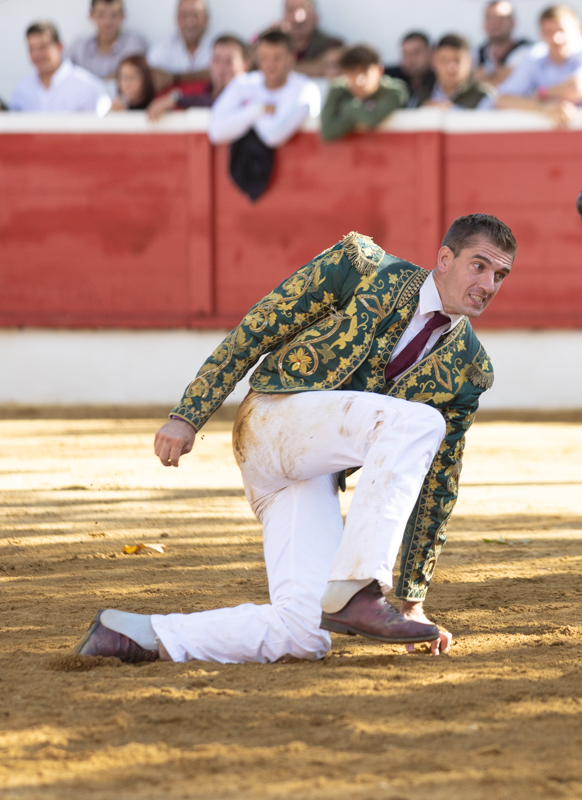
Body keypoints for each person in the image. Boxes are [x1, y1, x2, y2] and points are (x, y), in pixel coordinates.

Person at [73, 214, 515, 665]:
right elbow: (259, 328)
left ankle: (135, 635)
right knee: (418, 423)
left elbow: (438, 483)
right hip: (272, 420)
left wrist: (411, 600)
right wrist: (189, 415)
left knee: (304, 633)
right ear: (444, 259)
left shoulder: (468, 367)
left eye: (500, 275)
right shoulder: (363, 268)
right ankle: (359, 588)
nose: (488, 283)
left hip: (311, 471)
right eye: (479, 266)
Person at [495, 4, 582, 124]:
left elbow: (578, 88)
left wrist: (541, 94)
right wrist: (543, 108)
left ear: (579, 30)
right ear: (541, 34)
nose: (556, 38)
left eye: (561, 30)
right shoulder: (535, 56)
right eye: (549, 32)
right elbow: (502, 100)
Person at [209, 30, 321, 147]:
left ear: (291, 58)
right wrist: (258, 109)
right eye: (264, 57)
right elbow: (216, 132)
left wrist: (247, 109)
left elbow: (273, 136)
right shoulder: (244, 83)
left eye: (277, 58)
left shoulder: (305, 89)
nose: (270, 64)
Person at [10, 22, 112, 115]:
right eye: (31, 48)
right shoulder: (21, 90)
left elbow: (104, 128)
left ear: (60, 46)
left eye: (43, 47)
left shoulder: (89, 86)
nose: (37, 54)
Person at [147, 34, 248, 120]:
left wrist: (177, 100)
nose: (222, 68)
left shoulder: (251, 93)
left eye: (229, 61)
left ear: (244, 65)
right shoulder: (200, 90)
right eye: (217, 60)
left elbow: (219, 103)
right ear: (210, 64)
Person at [320, 45, 409, 141]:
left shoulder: (394, 90)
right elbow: (328, 131)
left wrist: (348, 107)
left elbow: (372, 119)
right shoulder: (338, 89)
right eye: (352, 72)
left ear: (379, 71)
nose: (359, 80)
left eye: (364, 71)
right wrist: (362, 113)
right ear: (344, 74)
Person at [65, 0, 148, 82]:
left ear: (122, 15)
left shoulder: (134, 44)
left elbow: (132, 78)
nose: (107, 22)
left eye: (114, 15)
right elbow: (60, 73)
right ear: (91, 15)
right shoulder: (78, 47)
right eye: (101, 15)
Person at [261, 0, 344, 78]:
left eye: (304, 9)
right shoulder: (272, 43)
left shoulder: (332, 44)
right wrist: (269, 33)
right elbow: (251, 60)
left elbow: (326, 68)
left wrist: (279, 69)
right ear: (283, 17)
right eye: (290, 10)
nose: (297, 18)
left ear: (316, 18)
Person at [148, 0, 216, 93]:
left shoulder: (219, 45)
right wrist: (202, 75)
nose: (190, 21)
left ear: (207, 18)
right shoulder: (164, 46)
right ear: (176, 18)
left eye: (196, 15)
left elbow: (223, 74)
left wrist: (174, 78)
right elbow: (152, 76)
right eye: (184, 15)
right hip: (172, 107)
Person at [419, 34, 497, 110]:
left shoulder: (483, 96)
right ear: (434, 62)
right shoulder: (421, 94)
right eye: (444, 60)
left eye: (457, 60)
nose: (450, 67)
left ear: (470, 62)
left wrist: (453, 111)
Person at [475, 1, 535, 86]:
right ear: (484, 23)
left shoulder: (529, 52)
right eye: (490, 18)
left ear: (513, 22)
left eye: (501, 18)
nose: (495, 23)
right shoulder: (476, 54)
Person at [385, 32, 436, 100]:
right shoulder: (390, 77)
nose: (411, 59)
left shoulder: (440, 79)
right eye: (406, 54)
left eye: (416, 52)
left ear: (430, 52)